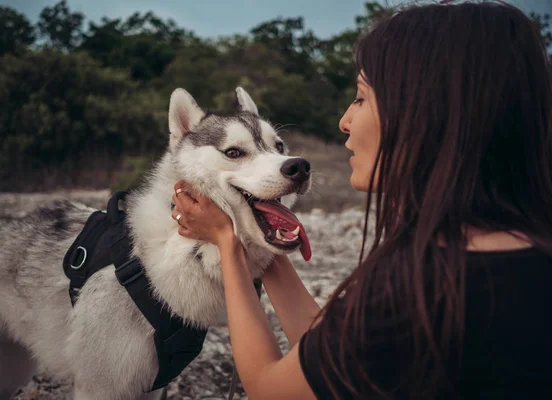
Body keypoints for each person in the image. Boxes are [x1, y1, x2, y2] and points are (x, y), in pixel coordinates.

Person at [170, 1, 552, 399]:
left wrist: (229, 247)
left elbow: (273, 391)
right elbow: (342, 355)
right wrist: (265, 236)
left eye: (361, 98)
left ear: (426, 113)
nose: (345, 121)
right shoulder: (525, 255)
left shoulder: (419, 287)